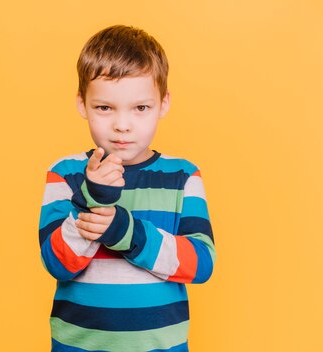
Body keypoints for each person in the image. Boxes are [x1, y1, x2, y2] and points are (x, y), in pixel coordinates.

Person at [38, 24, 216, 351]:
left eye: (140, 108)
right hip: (78, 345)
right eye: (104, 108)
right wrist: (92, 197)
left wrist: (128, 233)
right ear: (82, 104)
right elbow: (57, 263)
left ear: (163, 103)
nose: (122, 124)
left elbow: (201, 264)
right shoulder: (64, 173)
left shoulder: (183, 176)